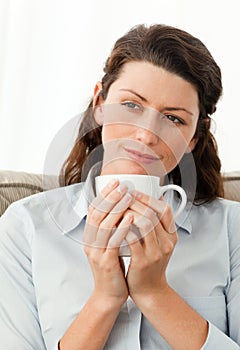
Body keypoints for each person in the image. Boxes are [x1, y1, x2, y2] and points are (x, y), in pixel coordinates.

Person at [0, 23, 240, 350]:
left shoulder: (231, 229)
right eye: (131, 105)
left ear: (193, 138)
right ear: (100, 103)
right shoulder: (25, 226)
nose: (145, 134)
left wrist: (155, 293)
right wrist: (105, 298)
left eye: (174, 119)